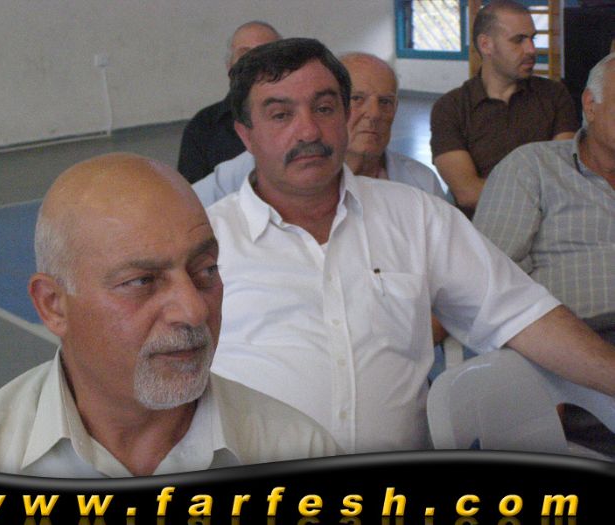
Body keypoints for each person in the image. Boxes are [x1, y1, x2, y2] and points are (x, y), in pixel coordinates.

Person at [205, 37, 615, 455]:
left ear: (343, 116)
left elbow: (522, 314)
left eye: (324, 108)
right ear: (246, 135)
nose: (308, 130)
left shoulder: (415, 216)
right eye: (281, 115)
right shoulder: (208, 244)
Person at [0, 153, 339, 476]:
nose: (194, 310)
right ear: (53, 305)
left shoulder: (298, 448)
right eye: (142, 281)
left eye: (205, 271)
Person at [473, 53, 615, 456]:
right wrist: (538, 366)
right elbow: (487, 282)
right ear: (590, 104)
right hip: (574, 348)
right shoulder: (532, 168)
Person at [192, 52, 448, 208]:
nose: (374, 114)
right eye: (357, 99)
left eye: (385, 102)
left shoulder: (421, 182)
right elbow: (188, 207)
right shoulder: (258, 167)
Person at [430, 0, 579, 218]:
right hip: (482, 226)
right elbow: (467, 192)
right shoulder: (450, 108)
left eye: (532, 39)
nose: (531, 49)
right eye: (518, 40)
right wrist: (540, 195)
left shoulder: (554, 95)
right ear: (486, 45)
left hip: (549, 224)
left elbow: (564, 174)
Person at [177, 21, 281, 183]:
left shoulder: (302, 116)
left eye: (265, 54)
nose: (254, 63)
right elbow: (190, 194)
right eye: (244, 54)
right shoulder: (203, 126)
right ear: (229, 66)